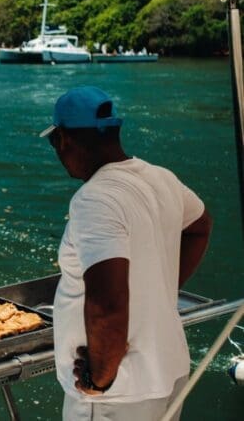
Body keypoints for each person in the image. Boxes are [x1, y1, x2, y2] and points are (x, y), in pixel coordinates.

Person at [40, 86, 212, 421]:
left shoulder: (96, 198)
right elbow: (200, 226)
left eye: (54, 142)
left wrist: (100, 379)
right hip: (168, 370)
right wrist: (161, 291)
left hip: (120, 395)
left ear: (64, 139)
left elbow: (107, 304)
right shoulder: (160, 178)